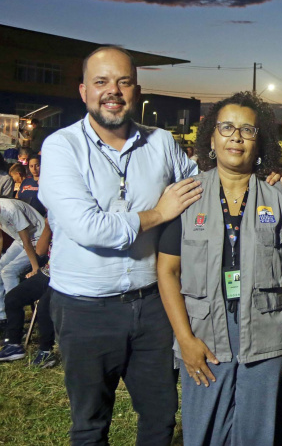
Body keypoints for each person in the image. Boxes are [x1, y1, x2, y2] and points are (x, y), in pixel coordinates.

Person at [38, 45, 202, 445]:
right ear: (83, 92)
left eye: (123, 82)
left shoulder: (161, 142)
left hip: (152, 306)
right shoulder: (62, 147)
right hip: (84, 309)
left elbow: (201, 188)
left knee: (161, 414)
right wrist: (159, 213)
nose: (113, 91)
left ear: (137, 90)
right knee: (91, 423)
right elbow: (89, 227)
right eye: (101, 82)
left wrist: (256, 187)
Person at [157, 92, 282, 445]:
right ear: (211, 139)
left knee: (260, 433)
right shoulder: (185, 197)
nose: (236, 136)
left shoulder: (281, 199)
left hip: (267, 334)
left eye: (247, 130)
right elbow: (167, 271)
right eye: (227, 127)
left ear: (259, 141)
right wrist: (185, 341)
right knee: (205, 431)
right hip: (205, 332)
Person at [0, 207, 55, 367]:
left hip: (67, 275)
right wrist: (48, 227)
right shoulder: (54, 220)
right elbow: (40, 250)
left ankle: (46, 352)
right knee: (13, 298)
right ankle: (14, 345)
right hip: (49, 272)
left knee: (44, 306)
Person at [0, 198, 46, 332]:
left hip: (38, 239)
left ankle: (14, 321)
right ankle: (2, 317)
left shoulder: (10, 209)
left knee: (9, 272)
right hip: (20, 241)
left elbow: (27, 243)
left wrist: (35, 267)